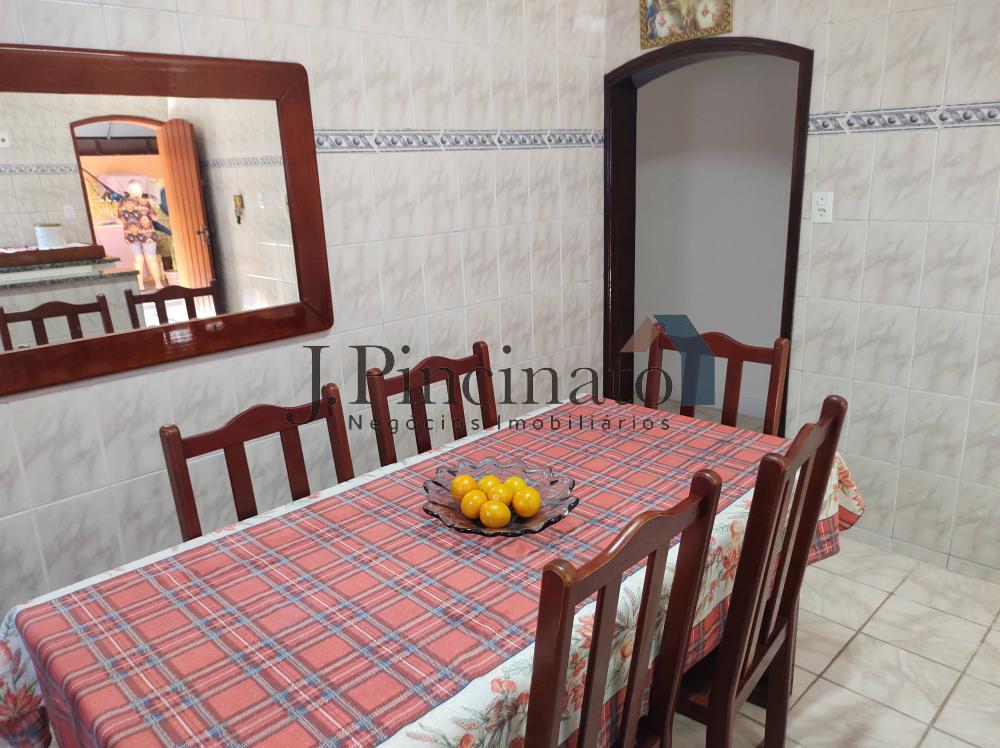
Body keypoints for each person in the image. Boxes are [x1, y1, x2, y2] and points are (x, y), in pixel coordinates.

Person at [117, 179, 165, 290]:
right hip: (147, 234)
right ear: (138, 190)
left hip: (131, 235)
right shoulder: (144, 201)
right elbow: (154, 218)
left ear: (129, 190)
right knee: (151, 259)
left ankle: (140, 285)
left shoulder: (122, 203)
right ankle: (158, 284)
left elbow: (120, 218)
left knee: (138, 259)